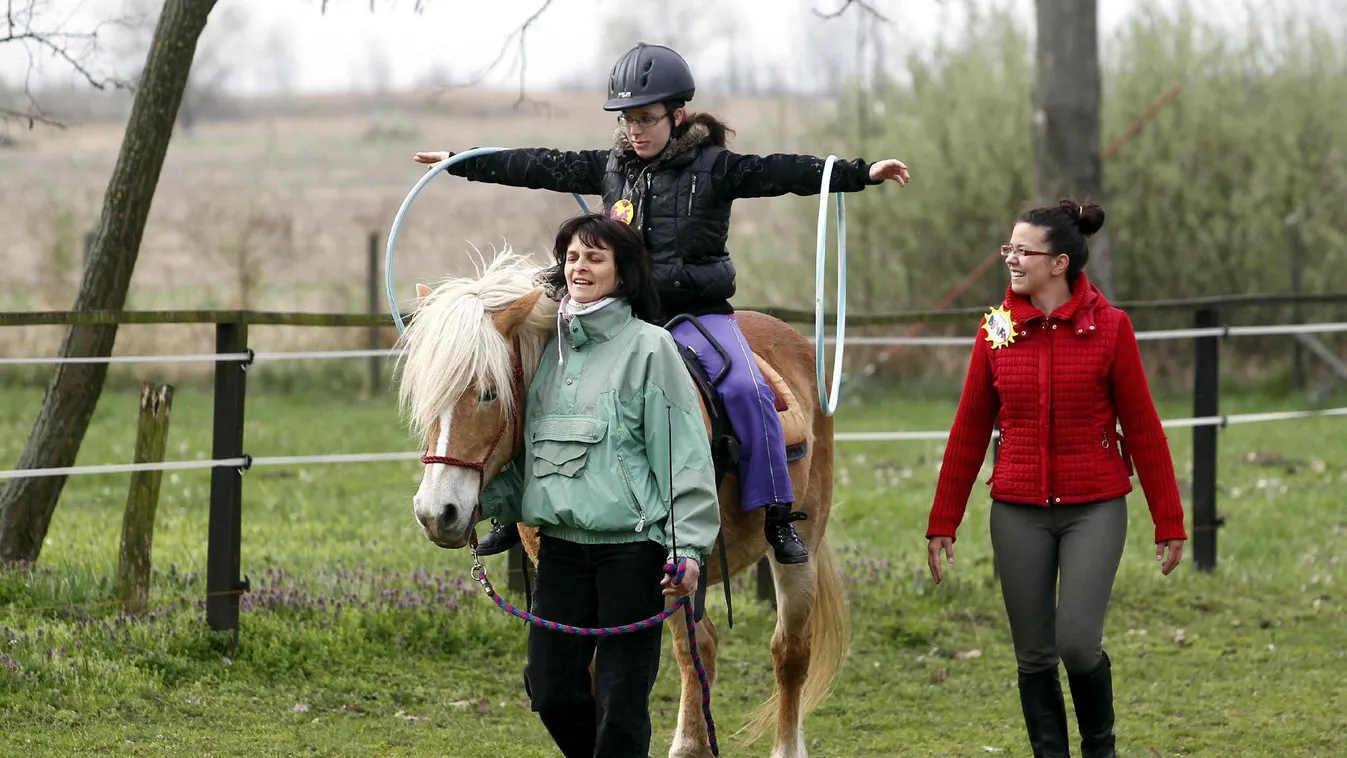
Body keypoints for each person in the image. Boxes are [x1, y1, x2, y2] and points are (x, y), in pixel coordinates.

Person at [414, 41, 911, 566]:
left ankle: (778, 514)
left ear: (677, 116)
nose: (636, 130)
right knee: (539, 385)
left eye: (647, 119)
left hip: (696, 314)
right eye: (628, 119)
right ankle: (512, 508)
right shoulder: (612, 168)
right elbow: (541, 164)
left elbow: (782, 172)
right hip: (621, 313)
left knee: (747, 391)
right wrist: (461, 164)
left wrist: (859, 172)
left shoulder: (717, 167)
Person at [924, 198, 1187, 758]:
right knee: (1034, 653)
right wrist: (942, 521)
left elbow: (1143, 429)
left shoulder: (1111, 328)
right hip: (1016, 508)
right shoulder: (996, 329)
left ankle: (1100, 748)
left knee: (1076, 642)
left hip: (1094, 506)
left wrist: (1170, 521)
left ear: (1059, 262)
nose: (1012, 259)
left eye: (1024, 250)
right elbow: (969, 430)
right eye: (1009, 248)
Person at [477, 212, 720, 758]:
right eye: (572, 257)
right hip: (561, 549)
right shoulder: (548, 350)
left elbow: (684, 455)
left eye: (594, 257)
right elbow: (533, 455)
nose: (580, 267)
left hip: (634, 555)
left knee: (619, 699)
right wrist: (481, 501)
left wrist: (689, 550)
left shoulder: (650, 348)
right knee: (549, 687)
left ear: (622, 272)